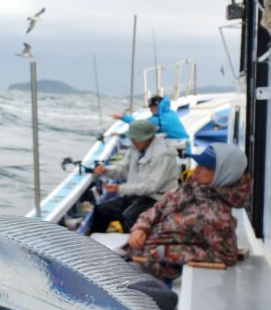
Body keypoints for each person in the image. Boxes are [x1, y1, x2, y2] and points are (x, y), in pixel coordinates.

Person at [128, 143, 251, 280]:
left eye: (206, 167)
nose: (196, 169)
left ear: (224, 173)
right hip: (137, 256)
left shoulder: (216, 214)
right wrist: (141, 228)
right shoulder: (191, 187)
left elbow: (226, 256)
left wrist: (170, 252)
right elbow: (158, 208)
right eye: (199, 163)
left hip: (156, 272)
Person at [89, 118, 180, 233]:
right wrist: (106, 170)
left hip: (156, 198)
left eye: (135, 138)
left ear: (147, 138)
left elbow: (151, 187)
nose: (132, 141)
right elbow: (122, 169)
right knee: (101, 210)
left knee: (129, 216)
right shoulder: (135, 146)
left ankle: (134, 247)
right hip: (136, 194)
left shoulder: (163, 154)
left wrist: (120, 188)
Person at [112, 94, 189, 141]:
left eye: (151, 108)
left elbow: (139, 125)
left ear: (157, 107)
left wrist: (122, 117)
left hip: (178, 147)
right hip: (185, 145)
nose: (150, 110)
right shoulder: (171, 113)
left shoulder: (159, 120)